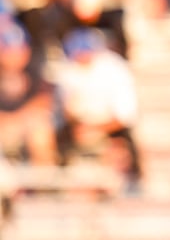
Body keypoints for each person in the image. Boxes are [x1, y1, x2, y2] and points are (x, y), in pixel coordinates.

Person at [55, 28, 141, 187]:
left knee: (118, 151)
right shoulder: (67, 70)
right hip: (78, 129)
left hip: (112, 130)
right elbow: (64, 112)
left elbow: (125, 116)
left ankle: (124, 186)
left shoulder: (116, 70)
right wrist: (79, 124)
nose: (82, 59)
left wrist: (97, 129)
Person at [0, 18, 58, 167]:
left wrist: (16, 119)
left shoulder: (36, 69)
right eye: (9, 50)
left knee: (40, 130)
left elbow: (45, 100)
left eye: (20, 49)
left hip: (21, 124)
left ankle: (44, 184)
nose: (15, 56)